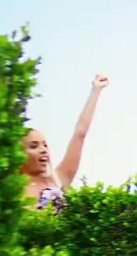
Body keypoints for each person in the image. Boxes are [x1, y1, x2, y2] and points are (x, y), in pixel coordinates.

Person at [20, 74, 110, 214]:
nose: (43, 150)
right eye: (34, 146)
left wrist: (96, 90)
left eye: (45, 145)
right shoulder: (12, 192)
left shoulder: (58, 179)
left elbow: (80, 134)